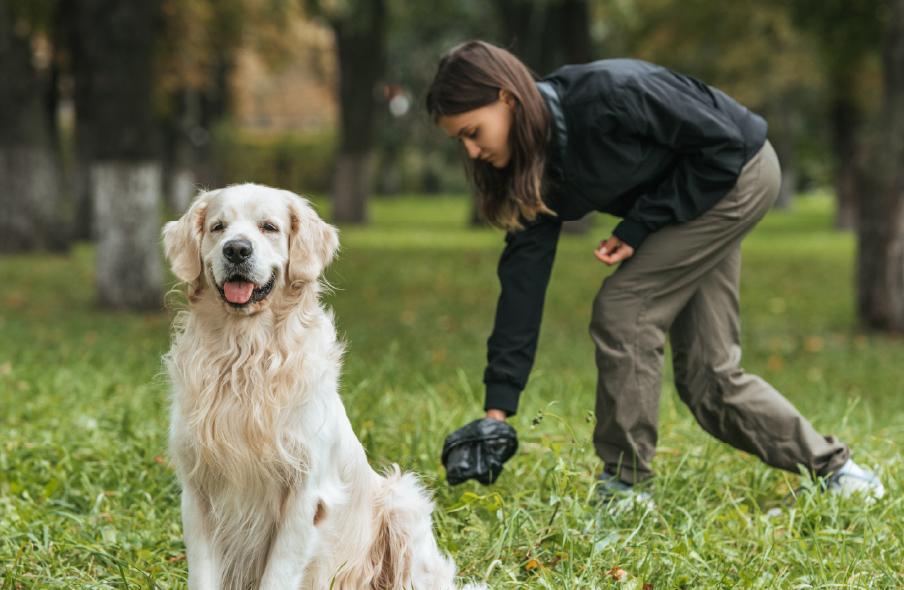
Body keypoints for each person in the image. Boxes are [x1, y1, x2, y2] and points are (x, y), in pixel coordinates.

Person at [427, 40, 884, 502]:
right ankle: (842, 475)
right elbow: (522, 283)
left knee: (624, 308)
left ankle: (624, 489)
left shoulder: (609, 96)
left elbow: (722, 146)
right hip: (694, 195)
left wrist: (640, 225)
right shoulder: (534, 167)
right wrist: (496, 414)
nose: (470, 150)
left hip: (737, 173)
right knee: (710, 378)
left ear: (507, 98)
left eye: (472, 131)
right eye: (459, 140)